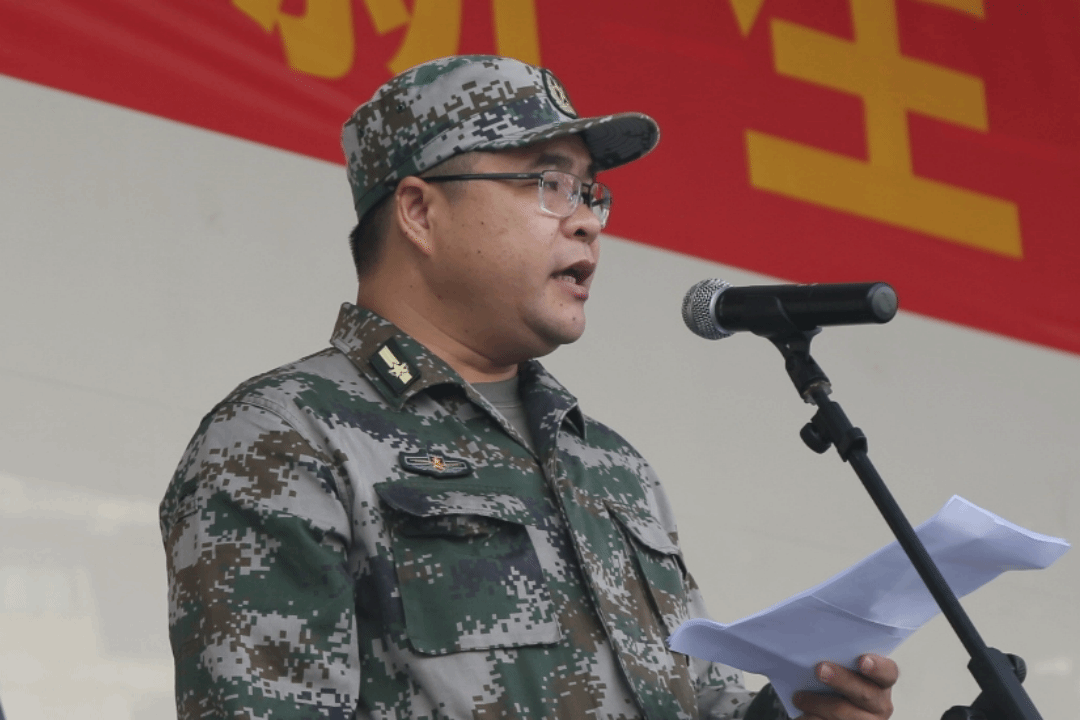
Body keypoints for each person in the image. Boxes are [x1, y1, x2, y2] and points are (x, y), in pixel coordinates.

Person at [160, 55, 898, 720]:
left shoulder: (609, 464)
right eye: (549, 184)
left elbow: (691, 695)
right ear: (419, 212)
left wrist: (797, 709)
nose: (587, 223)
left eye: (590, 192)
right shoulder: (286, 434)